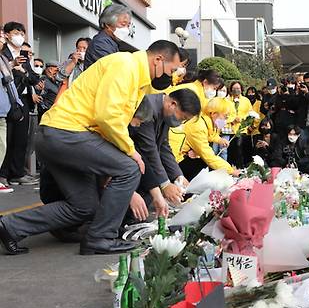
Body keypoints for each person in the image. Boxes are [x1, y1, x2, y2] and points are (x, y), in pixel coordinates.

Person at [0, 40, 185, 256]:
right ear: (158, 59)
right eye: (172, 70)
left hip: (59, 135)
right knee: (129, 167)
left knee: (85, 206)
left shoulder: (137, 77)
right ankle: (101, 238)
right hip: (66, 133)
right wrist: (131, 152)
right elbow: (107, 117)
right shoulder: (126, 66)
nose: (171, 77)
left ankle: (10, 226)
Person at [127, 89, 201, 222]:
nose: (181, 123)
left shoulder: (164, 113)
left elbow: (163, 146)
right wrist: (165, 184)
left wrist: (178, 175)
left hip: (142, 159)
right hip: (131, 157)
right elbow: (149, 149)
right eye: (183, 118)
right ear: (172, 104)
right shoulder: (149, 107)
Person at [0, 29, 40, 186]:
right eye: (17, 33)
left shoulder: (24, 57)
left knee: (21, 139)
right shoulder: (4, 55)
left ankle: (17, 173)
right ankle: (3, 174)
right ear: (8, 35)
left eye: (22, 34)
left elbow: (34, 79)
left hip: (22, 101)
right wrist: (12, 65)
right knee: (6, 139)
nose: (20, 37)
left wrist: (22, 69)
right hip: (8, 99)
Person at [175, 96, 237, 180]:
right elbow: (208, 157)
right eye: (225, 117)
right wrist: (231, 171)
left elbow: (211, 134)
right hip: (176, 160)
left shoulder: (207, 122)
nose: (225, 121)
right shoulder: (199, 126)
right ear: (213, 113)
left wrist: (220, 140)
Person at [84, 4, 132, 69]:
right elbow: (114, 70)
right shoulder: (100, 44)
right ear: (108, 24)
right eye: (123, 24)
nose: (126, 29)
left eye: (128, 26)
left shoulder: (111, 43)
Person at [0, 52, 21, 193]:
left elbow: (10, 85)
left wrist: (17, 103)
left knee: (2, 145)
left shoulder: (3, 59)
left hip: (3, 110)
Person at [223, 81, 255, 168]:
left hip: (242, 129)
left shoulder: (245, 100)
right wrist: (232, 120)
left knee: (240, 150)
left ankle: (240, 168)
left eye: (238, 88)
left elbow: (250, 113)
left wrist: (245, 121)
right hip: (229, 129)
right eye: (234, 88)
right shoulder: (226, 100)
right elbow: (223, 114)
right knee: (229, 151)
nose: (236, 90)